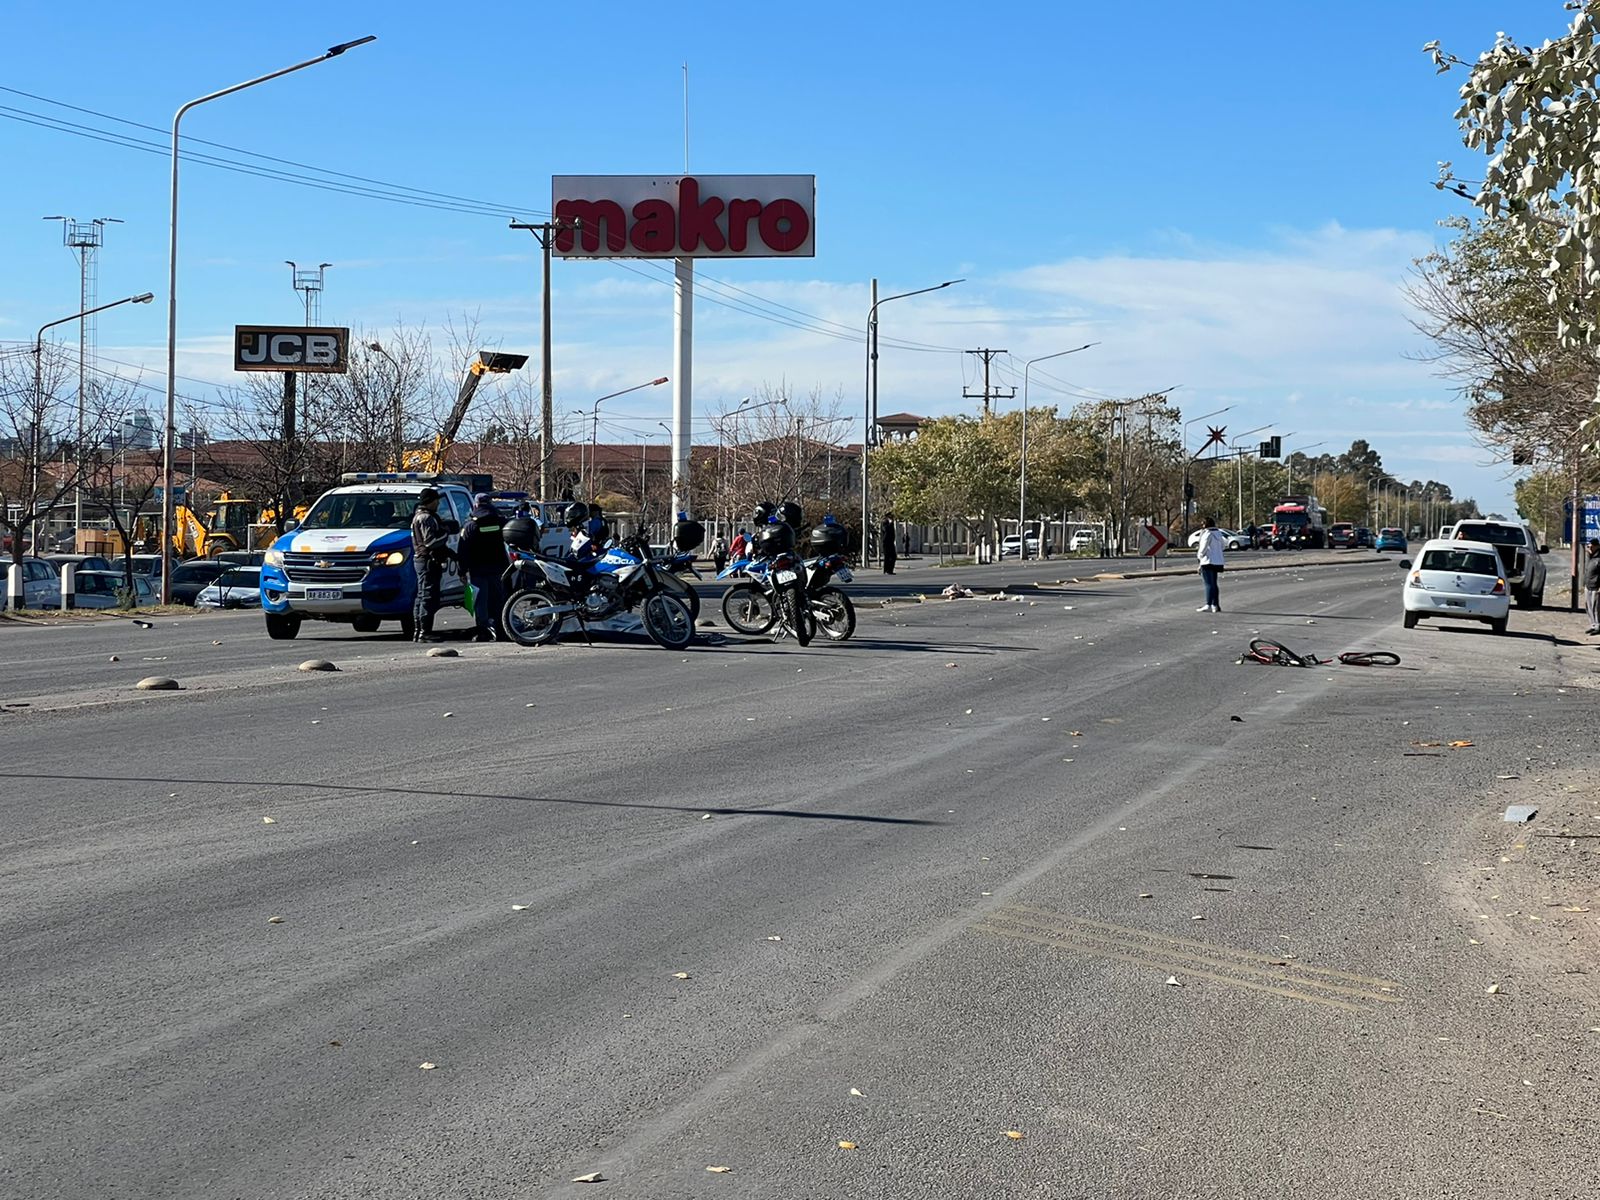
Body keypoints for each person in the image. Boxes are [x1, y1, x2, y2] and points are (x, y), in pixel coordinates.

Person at [457, 492, 506, 642]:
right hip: (498, 567)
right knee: (498, 600)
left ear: (476, 505)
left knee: (480, 602)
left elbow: (463, 549)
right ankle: (501, 630)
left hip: (478, 569)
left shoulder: (471, 525)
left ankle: (483, 631)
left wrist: (462, 571)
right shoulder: (501, 522)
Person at [410, 488, 453, 642]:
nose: (438, 503)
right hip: (428, 561)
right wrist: (445, 533)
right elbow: (431, 542)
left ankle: (418, 631)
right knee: (428, 597)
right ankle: (424, 632)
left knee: (421, 596)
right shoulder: (426, 518)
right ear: (431, 501)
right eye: (437, 500)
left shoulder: (418, 516)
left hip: (422, 560)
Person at [1195, 515, 1227, 613]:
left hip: (1207, 561)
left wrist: (1199, 557)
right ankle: (1215, 605)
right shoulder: (1218, 534)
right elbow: (1223, 546)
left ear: (1205, 525)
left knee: (1208, 584)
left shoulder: (1207, 533)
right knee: (1214, 584)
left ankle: (1208, 604)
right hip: (1218, 561)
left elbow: (1203, 548)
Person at [1585, 537, 1600, 636]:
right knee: (1588, 606)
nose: (1589, 547)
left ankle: (1598, 625)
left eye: (1591, 545)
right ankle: (1593, 624)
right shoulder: (1590, 556)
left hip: (1596, 586)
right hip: (1588, 585)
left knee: (1596, 607)